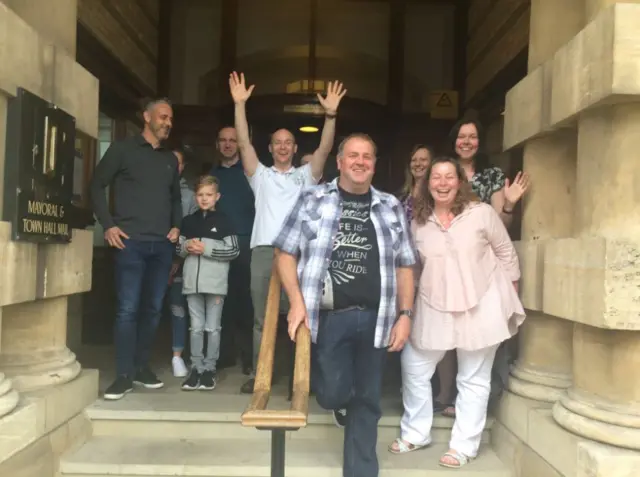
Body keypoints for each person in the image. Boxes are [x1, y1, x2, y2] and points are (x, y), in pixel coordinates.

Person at [274, 133, 417, 477]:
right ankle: (337, 401)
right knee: (333, 392)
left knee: (367, 400)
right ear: (339, 162)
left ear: (374, 165)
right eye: (353, 155)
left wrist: (406, 315)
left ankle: (361, 470)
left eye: (367, 156)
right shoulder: (312, 198)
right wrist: (296, 302)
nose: (360, 161)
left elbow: (406, 264)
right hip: (329, 318)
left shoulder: (390, 205)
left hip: (377, 318)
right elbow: (283, 253)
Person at [389, 156, 525, 468]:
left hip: (482, 302)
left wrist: (510, 295)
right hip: (434, 302)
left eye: (449, 177)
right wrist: (405, 308)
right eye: (436, 177)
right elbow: (413, 267)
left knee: (474, 377)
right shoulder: (418, 222)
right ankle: (416, 432)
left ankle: (463, 446)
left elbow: (505, 252)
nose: (442, 183)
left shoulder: (482, 213)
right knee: (414, 366)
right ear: (427, 184)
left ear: (460, 182)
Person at [228, 71, 346, 394]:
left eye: (288, 143)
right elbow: (241, 142)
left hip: (298, 254)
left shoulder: (307, 176)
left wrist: (330, 115)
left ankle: (300, 377)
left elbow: (324, 149)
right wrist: (239, 105)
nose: (282, 147)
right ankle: (260, 375)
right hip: (265, 252)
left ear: (295, 148)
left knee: (300, 315)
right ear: (270, 147)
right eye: (277, 142)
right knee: (260, 319)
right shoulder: (260, 176)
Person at [90, 98, 181, 401]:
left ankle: (142, 367)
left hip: (162, 246)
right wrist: (108, 225)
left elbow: (176, 199)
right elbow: (95, 185)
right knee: (128, 309)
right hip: (130, 244)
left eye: (170, 119)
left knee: (153, 310)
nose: (167, 122)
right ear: (147, 117)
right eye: (163, 117)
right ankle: (124, 375)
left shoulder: (169, 159)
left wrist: (177, 226)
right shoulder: (122, 150)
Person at [178, 176, 240, 391]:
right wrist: (187, 246)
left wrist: (206, 248)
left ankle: (210, 369)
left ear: (217, 197)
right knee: (195, 327)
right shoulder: (188, 221)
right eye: (201, 195)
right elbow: (178, 249)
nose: (204, 199)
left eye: (209, 195)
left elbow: (233, 250)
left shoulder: (225, 220)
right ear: (196, 197)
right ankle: (196, 367)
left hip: (215, 285)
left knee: (213, 328)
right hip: (191, 284)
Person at [210, 126, 255, 374]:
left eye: (232, 140)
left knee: (247, 304)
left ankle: (250, 358)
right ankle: (224, 354)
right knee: (220, 302)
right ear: (217, 144)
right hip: (217, 247)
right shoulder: (212, 177)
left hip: (247, 245)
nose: (228, 144)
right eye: (223, 140)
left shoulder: (251, 174)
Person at [168, 148, 198, 377]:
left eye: (178, 163)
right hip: (151, 257)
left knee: (178, 308)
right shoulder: (149, 189)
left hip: (181, 260)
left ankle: (177, 356)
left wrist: (178, 257)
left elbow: (193, 229)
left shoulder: (190, 196)